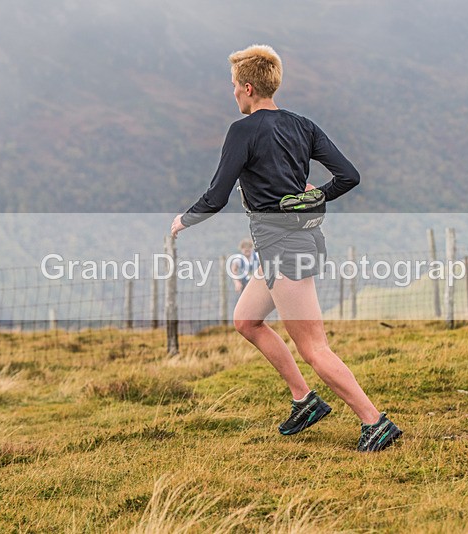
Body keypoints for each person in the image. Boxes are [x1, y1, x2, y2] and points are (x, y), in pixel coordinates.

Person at [170, 44, 401, 452]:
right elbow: (349, 176)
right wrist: (318, 195)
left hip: (285, 249)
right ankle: (304, 400)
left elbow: (218, 194)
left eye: (233, 87)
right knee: (246, 320)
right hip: (288, 243)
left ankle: (375, 421)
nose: (233, 95)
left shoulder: (242, 131)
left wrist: (185, 219)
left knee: (314, 347)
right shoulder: (302, 125)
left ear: (247, 87)